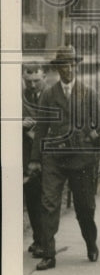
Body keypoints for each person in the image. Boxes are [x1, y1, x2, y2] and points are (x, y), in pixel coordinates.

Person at [32, 45, 100, 270]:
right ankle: (49, 253)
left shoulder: (89, 93)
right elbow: (41, 128)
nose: (67, 69)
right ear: (58, 68)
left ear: (76, 66)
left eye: (71, 64)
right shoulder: (49, 94)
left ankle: (90, 242)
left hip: (82, 158)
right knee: (48, 204)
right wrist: (35, 159)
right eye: (63, 65)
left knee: (85, 207)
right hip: (54, 158)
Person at [22, 62, 46, 257]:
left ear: (44, 77)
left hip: (48, 157)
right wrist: (20, 124)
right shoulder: (19, 97)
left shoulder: (52, 96)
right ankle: (39, 238)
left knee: (47, 200)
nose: (32, 85)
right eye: (28, 81)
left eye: (36, 81)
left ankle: (44, 240)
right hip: (28, 157)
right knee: (32, 199)